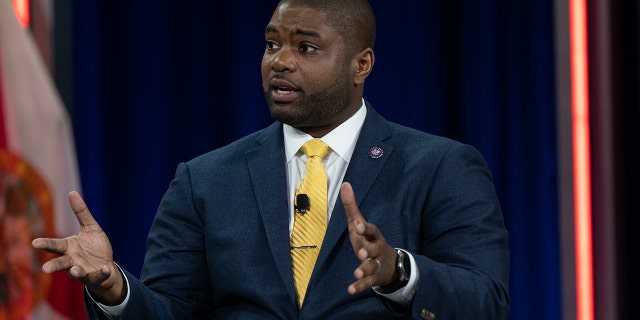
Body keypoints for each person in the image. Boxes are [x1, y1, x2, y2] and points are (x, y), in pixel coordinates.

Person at [32, 0, 510, 319]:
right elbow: (172, 310)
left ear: (361, 64)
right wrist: (115, 287)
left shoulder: (441, 167)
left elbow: (486, 302)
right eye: (271, 44)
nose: (279, 61)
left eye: (305, 47)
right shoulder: (205, 180)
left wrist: (399, 272)